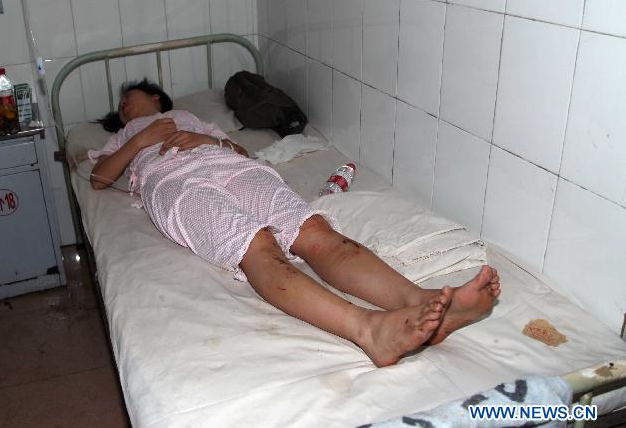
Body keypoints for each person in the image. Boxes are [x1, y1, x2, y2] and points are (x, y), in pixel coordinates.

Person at [91, 79, 501, 367]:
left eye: (130, 97)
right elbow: (100, 178)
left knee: (314, 231)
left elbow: (237, 148)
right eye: (122, 105)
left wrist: (209, 141)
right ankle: (368, 330)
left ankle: (421, 302)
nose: (126, 105)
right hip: (176, 183)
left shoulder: (188, 116)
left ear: (155, 97)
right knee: (257, 244)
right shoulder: (122, 137)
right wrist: (138, 141)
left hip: (230, 166)